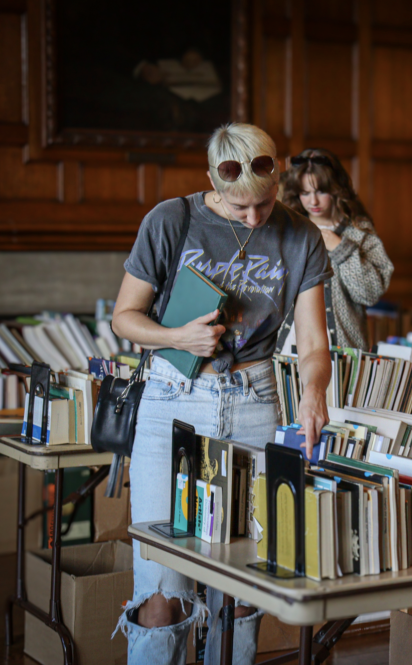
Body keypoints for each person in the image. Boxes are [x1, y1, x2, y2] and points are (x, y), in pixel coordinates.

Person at [111, 123, 332, 665]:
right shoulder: (171, 220)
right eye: (240, 210)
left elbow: (311, 340)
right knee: (164, 587)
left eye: (264, 202)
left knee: (241, 587)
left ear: (277, 176)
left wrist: (313, 391)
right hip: (173, 401)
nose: (255, 218)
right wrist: (177, 337)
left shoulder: (301, 236)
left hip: (255, 402)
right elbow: (124, 318)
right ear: (212, 180)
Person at [280, 148, 394, 350]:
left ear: (335, 188)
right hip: (287, 348)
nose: (312, 201)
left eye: (321, 191)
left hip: (342, 353)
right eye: (305, 193)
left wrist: (341, 249)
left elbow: (369, 294)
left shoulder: (359, 231)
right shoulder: (288, 229)